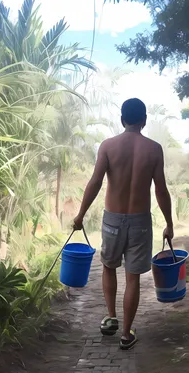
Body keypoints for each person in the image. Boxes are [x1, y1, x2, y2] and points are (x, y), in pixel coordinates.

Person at [73, 98, 174, 350]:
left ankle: (111, 318)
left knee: (108, 267)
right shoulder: (154, 149)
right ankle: (127, 334)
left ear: (122, 120)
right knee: (133, 278)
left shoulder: (108, 146)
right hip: (140, 221)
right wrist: (169, 223)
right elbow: (161, 190)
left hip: (112, 220)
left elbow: (95, 182)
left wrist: (80, 215)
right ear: (144, 120)